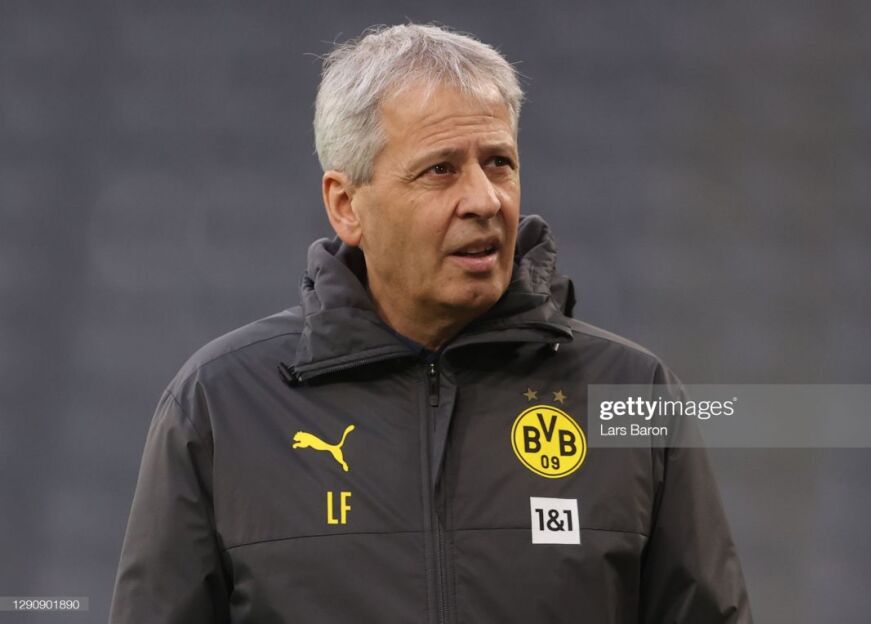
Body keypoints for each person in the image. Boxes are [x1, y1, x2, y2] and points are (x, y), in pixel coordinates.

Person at [109, 23, 752, 623]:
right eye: (441, 169)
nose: (484, 199)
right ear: (346, 205)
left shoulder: (635, 394)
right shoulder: (221, 404)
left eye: (499, 163)